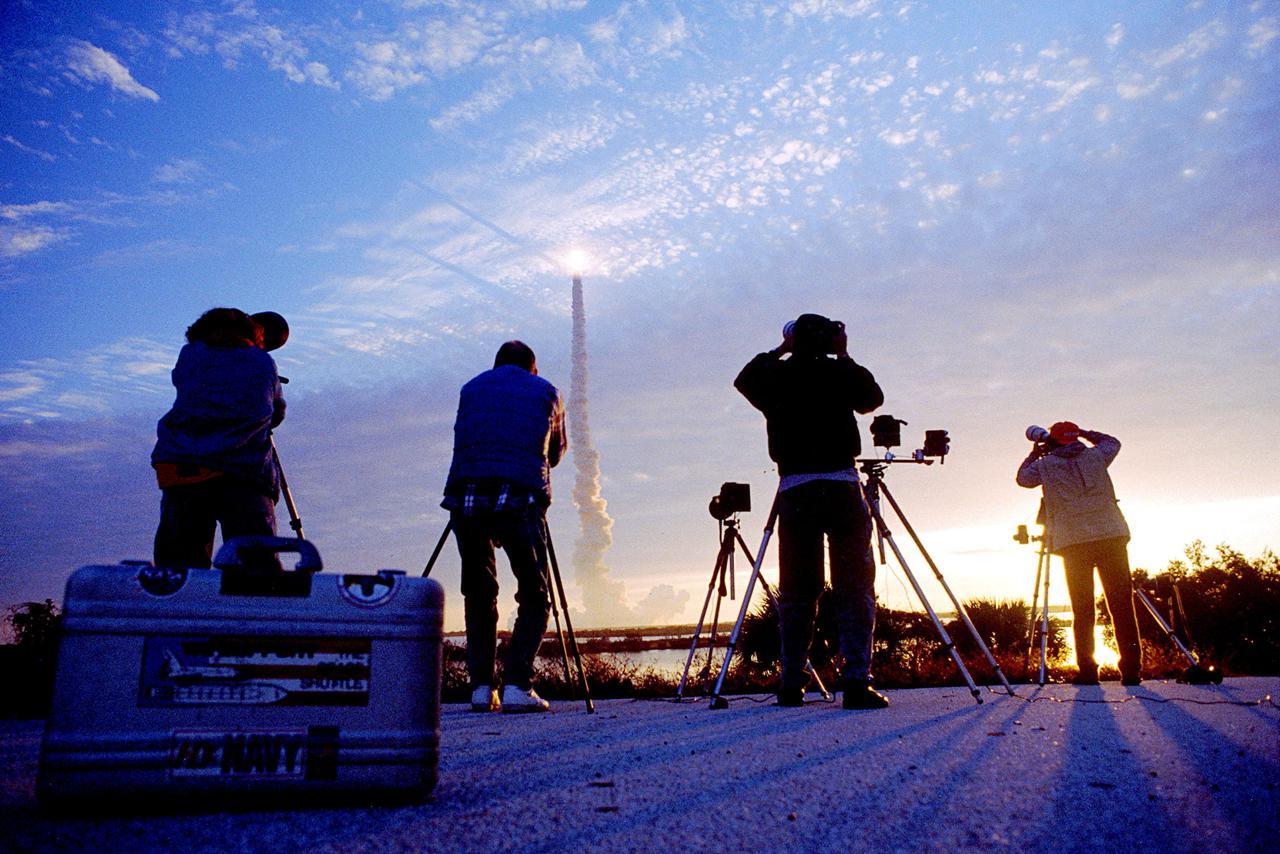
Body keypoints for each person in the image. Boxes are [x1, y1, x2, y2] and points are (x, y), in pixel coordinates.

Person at [735, 313, 888, 710]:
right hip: (841, 485)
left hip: (796, 489)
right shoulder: (840, 373)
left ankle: (791, 683)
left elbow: (745, 379)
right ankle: (856, 681)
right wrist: (844, 355)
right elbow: (872, 399)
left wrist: (780, 349)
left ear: (794, 341)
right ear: (829, 341)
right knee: (854, 586)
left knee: (798, 591)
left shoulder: (777, 376)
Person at [443, 341, 567, 714]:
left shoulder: (471, 388)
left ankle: (481, 687)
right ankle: (517, 684)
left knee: (479, 593)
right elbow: (556, 452)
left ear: (495, 365)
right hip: (519, 498)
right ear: (533, 367)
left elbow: (464, 439)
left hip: (465, 498)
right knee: (534, 592)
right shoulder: (547, 391)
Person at [151, 308, 287, 570]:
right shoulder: (261, 362)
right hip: (242, 473)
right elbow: (274, 412)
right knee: (254, 568)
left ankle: (183, 607)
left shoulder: (189, 355)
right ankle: (252, 606)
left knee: (180, 567)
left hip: (181, 467)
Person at [1016, 422, 1142, 686]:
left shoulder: (1046, 464)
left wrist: (1037, 450)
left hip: (1074, 543)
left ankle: (1087, 671)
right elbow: (1113, 440)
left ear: (1052, 440)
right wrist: (1085, 433)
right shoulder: (1097, 455)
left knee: (1082, 608)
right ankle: (1131, 671)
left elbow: (1023, 479)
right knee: (1122, 605)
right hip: (1111, 536)